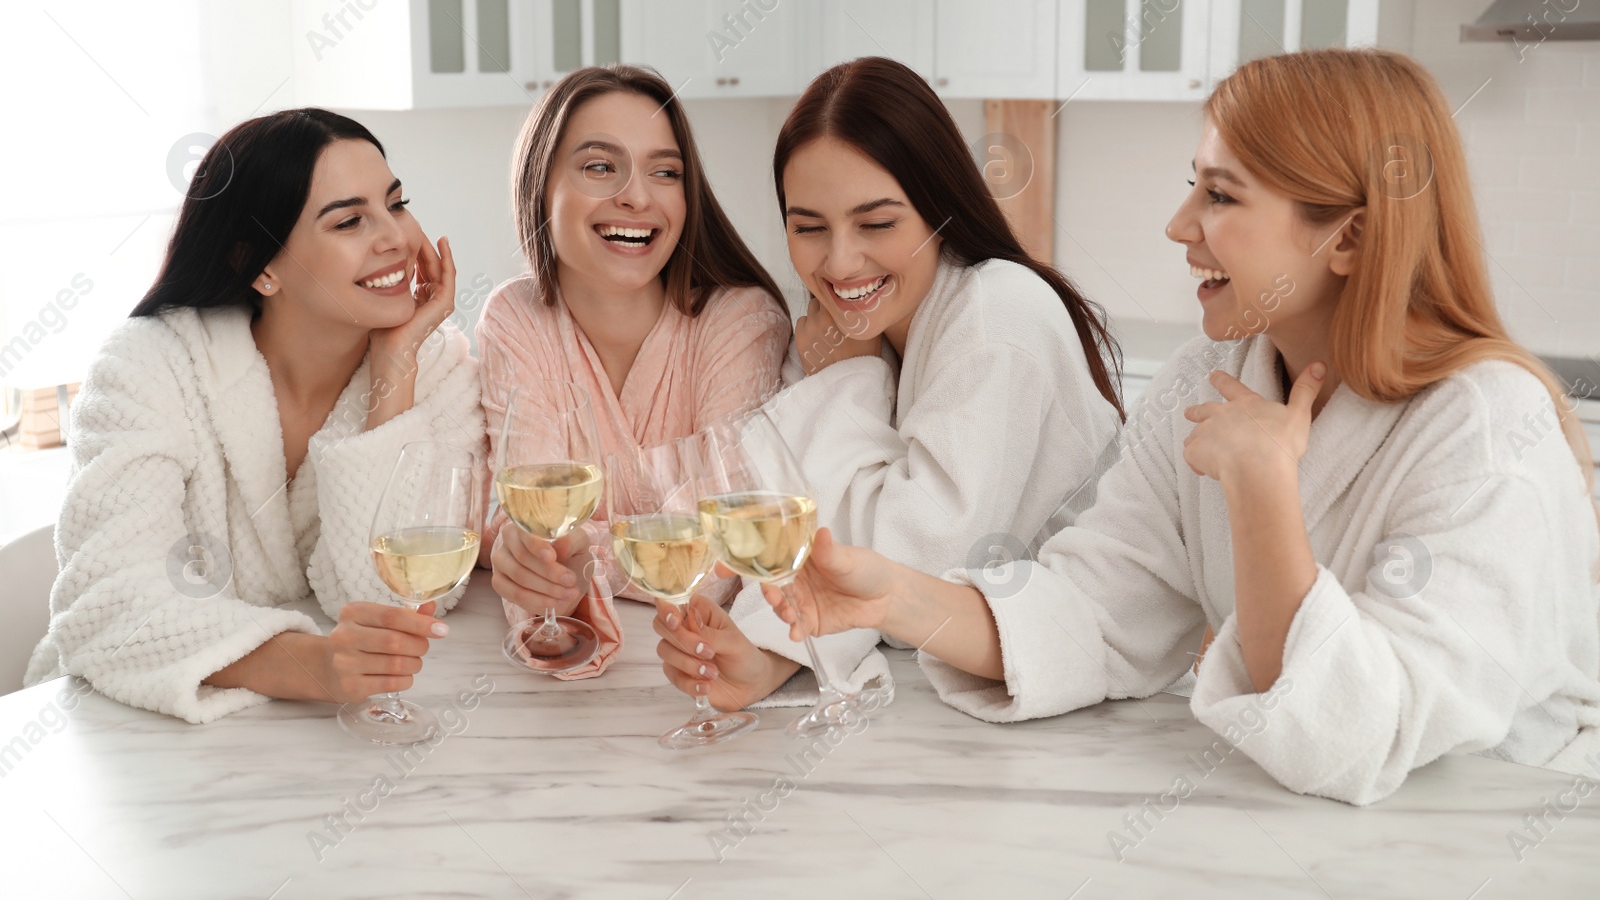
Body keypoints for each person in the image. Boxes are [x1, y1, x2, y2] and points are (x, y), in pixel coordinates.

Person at [756, 49, 1600, 805]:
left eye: (1221, 194)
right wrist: (896, 595)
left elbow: (1351, 734)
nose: (1179, 223)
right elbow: (1093, 609)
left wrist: (1263, 487)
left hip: (1504, 824)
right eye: (1192, 182)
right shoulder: (1215, 374)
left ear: (1350, 236)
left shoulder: (1483, 426)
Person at [654, 56, 1126, 708]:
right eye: (808, 227)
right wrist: (768, 654)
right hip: (946, 691)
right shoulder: (849, 327)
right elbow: (806, 530)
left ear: (940, 206)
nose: (840, 260)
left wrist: (850, 369)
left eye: (877, 223)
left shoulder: (996, 318)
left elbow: (910, 564)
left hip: (1076, 691)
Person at [26, 109, 484, 723]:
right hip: (123, 722)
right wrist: (311, 665)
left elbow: (398, 599)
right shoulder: (148, 367)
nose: (396, 238)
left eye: (396, 205)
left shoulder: (436, 366)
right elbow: (111, 609)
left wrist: (394, 369)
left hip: (304, 738)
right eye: (350, 220)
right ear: (260, 266)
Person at [479, 65, 791, 678]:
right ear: (541, 185)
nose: (638, 196)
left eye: (665, 172)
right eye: (600, 166)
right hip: (585, 718)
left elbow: (719, 560)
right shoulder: (516, 318)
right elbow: (537, 530)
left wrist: (536, 554)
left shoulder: (741, 319)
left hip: (700, 677)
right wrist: (528, 563)